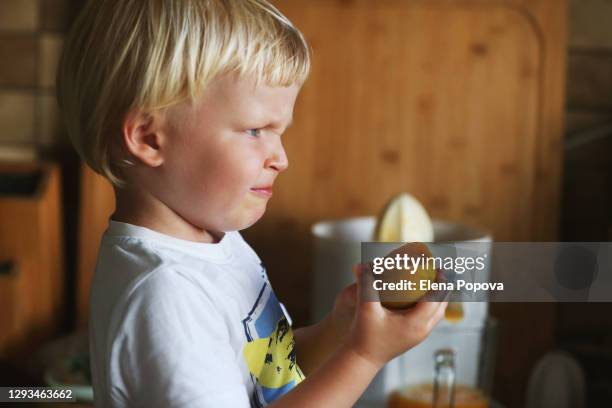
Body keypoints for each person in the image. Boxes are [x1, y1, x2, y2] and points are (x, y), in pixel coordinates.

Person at [56, 0, 448, 406]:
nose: (281, 158)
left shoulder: (213, 242)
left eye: (279, 132)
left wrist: (342, 327)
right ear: (150, 138)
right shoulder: (165, 296)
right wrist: (365, 355)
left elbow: (265, 375)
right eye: (255, 130)